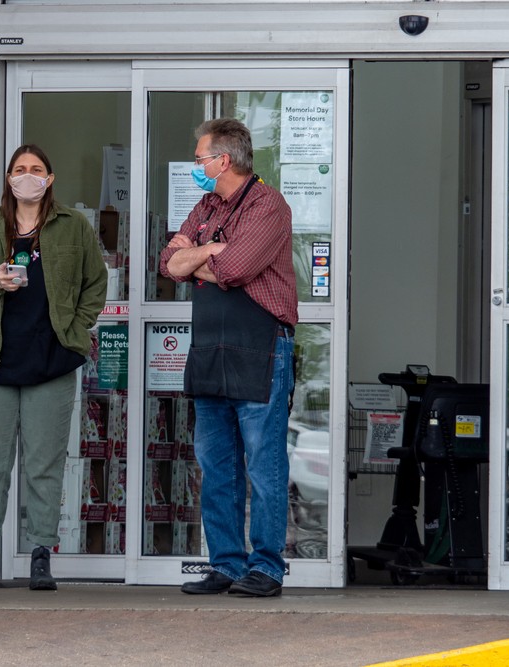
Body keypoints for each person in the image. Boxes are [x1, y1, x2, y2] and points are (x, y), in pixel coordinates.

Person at [0, 144, 108, 590]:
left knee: (44, 465)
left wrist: (76, 329)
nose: (27, 175)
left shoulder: (72, 225)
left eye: (36, 169)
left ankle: (41, 554)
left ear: (49, 178)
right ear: (9, 179)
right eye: (19, 169)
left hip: (51, 361)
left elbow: (95, 283)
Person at [160, 118, 298, 597]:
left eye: (200, 158)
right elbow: (168, 263)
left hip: (261, 346)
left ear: (223, 160)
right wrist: (211, 250)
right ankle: (226, 564)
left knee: (263, 464)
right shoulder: (206, 205)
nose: (196, 165)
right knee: (216, 465)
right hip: (209, 347)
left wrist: (197, 256)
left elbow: (236, 269)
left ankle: (267, 568)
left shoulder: (268, 205)